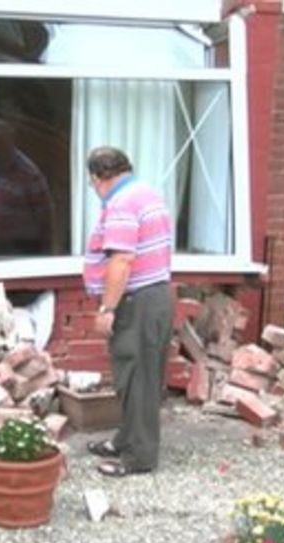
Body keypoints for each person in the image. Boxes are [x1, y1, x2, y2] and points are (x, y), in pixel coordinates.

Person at [81, 146, 173, 478]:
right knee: (136, 376)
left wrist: (107, 308)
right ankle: (126, 439)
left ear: (97, 177)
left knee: (137, 379)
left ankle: (138, 457)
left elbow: (122, 261)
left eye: (92, 184)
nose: (94, 191)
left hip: (137, 301)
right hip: (152, 296)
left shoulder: (121, 204)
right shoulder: (146, 193)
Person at [0, 119, 54, 255]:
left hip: (17, 248)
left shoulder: (30, 174)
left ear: (11, 141)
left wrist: (46, 253)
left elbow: (46, 216)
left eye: (0, 143)